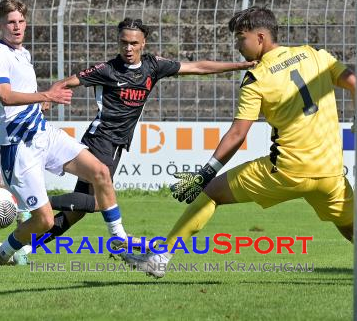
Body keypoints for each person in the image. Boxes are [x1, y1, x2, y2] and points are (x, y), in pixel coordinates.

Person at [122, 6, 357, 289]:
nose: (238, 46)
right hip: (329, 174)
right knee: (351, 224)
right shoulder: (314, 55)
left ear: (260, 37)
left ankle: (160, 258)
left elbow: (238, 134)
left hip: (285, 171)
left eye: (241, 39)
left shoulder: (256, 77)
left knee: (211, 192)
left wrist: (206, 172)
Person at [37, 17, 257, 249]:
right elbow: (68, 81)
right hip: (102, 142)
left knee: (77, 212)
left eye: (133, 43)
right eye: (124, 42)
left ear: (144, 43)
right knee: (100, 202)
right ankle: (35, 205)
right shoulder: (107, 69)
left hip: (114, 145)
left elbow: (198, 67)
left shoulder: (153, 66)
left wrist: (240, 65)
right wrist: (50, 95)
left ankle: (23, 245)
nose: (128, 48)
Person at [0, 0, 133, 265]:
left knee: (100, 172)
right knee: (44, 221)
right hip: (19, 146)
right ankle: (5, 249)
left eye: (21, 21)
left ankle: (119, 239)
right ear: (0, 25)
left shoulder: (23, 54)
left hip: (44, 134)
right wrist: (47, 95)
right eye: (10, 22)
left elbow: (23, 96)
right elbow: (5, 96)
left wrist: (40, 103)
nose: (16, 27)